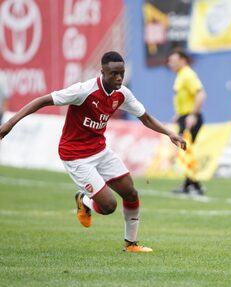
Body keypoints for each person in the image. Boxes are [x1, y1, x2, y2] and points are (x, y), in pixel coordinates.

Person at [0, 51, 186, 252]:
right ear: (102, 72)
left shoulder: (122, 93)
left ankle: (131, 244)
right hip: (76, 155)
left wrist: (169, 133)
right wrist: (10, 123)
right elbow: (44, 100)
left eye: (121, 73)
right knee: (109, 206)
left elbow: (146, 118)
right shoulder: (83, 91)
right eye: (114, 73)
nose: (119, 78)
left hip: (100, 150)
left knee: (131, 192)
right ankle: (85, 200)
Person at [167, 48, 206, 195]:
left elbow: (201, 94)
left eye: (173, 60)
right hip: (185, 117)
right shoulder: (181, 75)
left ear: (182, 60)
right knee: (185, 151)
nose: (170, 63)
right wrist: (179, 115)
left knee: (185, 150)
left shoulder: (188, 75)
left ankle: (195, 185)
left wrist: (192, 115)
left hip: (190, 118)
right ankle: (189, 185)